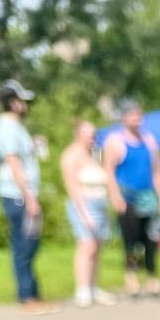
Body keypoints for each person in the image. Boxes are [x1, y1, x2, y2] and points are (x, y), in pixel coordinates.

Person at [0, 79, 58, 314]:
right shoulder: (7, 126)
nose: (26, 104)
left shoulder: (15, 126)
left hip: (22, 195)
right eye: (22, 100)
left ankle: (34, 295)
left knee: (30, 244)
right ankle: (27, 298)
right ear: (13, 102)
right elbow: (13, 162)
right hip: (18, 196)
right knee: (24, 246)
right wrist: (29, 197)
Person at [103, 99, 160, 298]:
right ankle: (131, 276)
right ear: (124, 118)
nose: (137, 119)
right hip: (128, 198)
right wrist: (115, 197)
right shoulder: (115, 142)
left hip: (149, 198)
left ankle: (152, 277)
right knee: (131, 242)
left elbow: (158, 172)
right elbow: (108, 171)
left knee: (152, 239)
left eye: (139, 115)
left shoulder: (149, 141)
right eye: (133, 115)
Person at [61, 120, 116, 309]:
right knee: (87, 245)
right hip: (83, 205)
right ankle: (82, 290)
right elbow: (72, 187)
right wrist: (84, 215)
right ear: (79, 134)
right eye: (89, 135)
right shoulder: (71, 156)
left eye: (94, 134)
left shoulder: (94, 153)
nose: (93, 138)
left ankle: (94, 287)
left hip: (100, 203)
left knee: (97, 246)